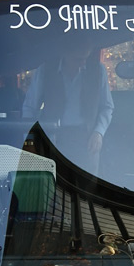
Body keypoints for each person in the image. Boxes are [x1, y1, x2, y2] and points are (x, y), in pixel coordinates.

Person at [22, 40, 114, 173]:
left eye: (86, 58)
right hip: (53, 140)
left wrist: (99, 132)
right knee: (53, 187)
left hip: (87, 139)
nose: (83, 63)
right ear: (64, 54)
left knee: (87, 189)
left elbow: (107, 106)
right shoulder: (45, 70)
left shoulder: (98, 70)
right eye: (78, 59)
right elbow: (30, 108)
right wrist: (30, 140)